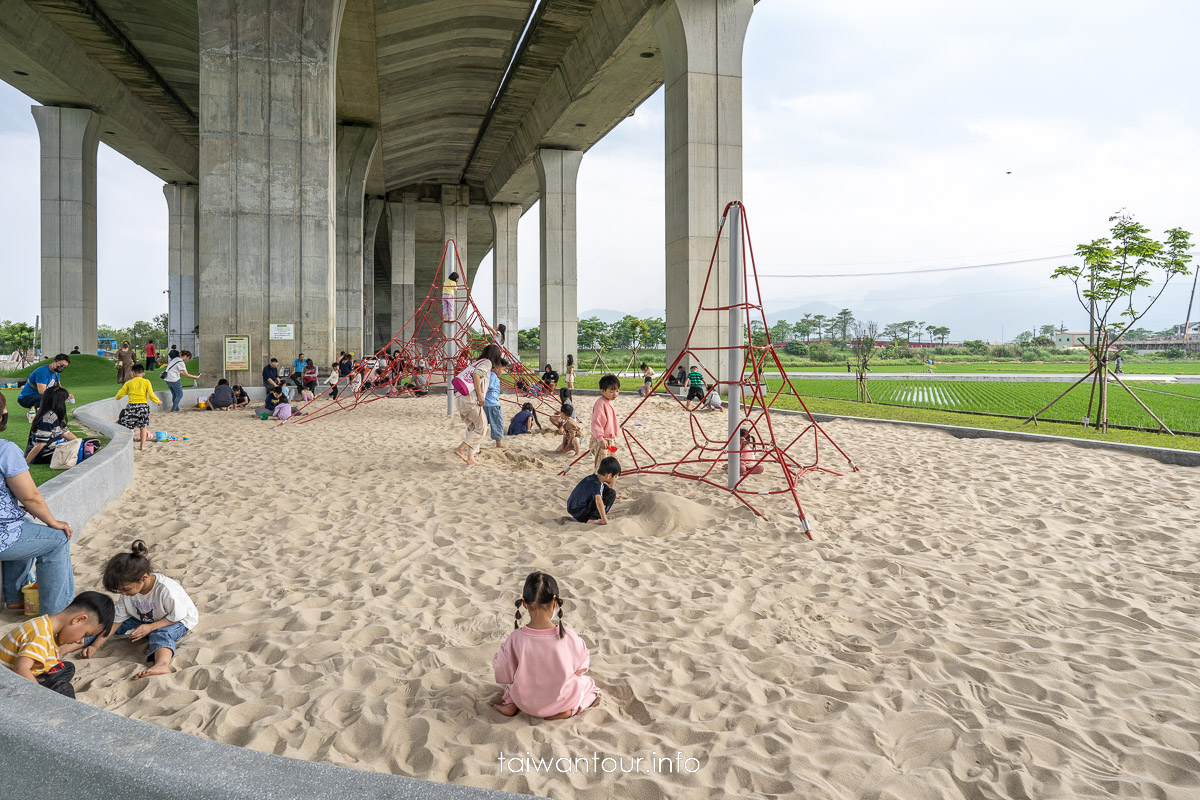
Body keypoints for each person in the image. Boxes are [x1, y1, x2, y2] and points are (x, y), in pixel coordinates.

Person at [81, 539, 199, 680]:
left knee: (160, 634)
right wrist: (95, 646)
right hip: (145, 619)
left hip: (177, 620)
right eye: (120, 591)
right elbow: (116, 622)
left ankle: (162, 664)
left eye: (126, 589)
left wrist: (150, 628)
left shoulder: (165, 589)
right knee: (106, 622)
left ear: (143, 577)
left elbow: (178, 615)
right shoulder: (128, 592)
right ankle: (78, 642)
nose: (123, 594)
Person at [492, 571, 599, 719]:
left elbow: (503, 674)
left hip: (526, 703)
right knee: (589, 686)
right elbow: (582, 668)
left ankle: (510, 703)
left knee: (513, 683)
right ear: (556, 602)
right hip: (559, 701)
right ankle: (570, 710)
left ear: (524, 604)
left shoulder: (515, 638)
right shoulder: (568, 636)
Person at [0, 428, 76, 616]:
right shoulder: (5, 449)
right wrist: (53, 522)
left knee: (25, 525)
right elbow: (30, 498)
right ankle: (57, 613)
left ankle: (15, 599)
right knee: (58, 540)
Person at [0, 591, 114, 698]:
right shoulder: (40, 635)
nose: (80, 641)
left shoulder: (45, 625)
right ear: (79, 619)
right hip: (8, 685)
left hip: (24, 675)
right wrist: (41, 697)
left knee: (68, 667)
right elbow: (21, 669)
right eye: (85, 634)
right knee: (63, 688)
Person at [452, 343, 502, 466]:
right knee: (482, 428)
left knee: (472, 428)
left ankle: (470, 458)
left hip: (460, 399)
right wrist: (480, 395)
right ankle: (460, 449)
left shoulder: (477, 362)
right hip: (471, 399)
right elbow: (476, 375)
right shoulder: (487, 363)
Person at [24, 387, 77, 465]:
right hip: (45, 454)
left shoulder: (53, 414)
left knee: (88, 443)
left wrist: (79, 442)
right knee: (92, 444)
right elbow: (40, 444)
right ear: (59, 402)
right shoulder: (49, 418)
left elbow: (66, 433)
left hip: (53, 449)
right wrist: (26, 462)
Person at [116, 364, 160, 451]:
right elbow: (151, 394)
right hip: (143, 407)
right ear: (143, 373)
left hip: (132, 406)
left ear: (132, 373)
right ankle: (142, 446)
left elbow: (121, 393)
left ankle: (128, 446)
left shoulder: (128, 383)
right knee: (143, 427)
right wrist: (158, 401)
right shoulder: (147, 382)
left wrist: (117, 397)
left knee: (128, 426)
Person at [567, 455, 620, 524]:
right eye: (615, 476)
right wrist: (604, 520)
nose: (616, 479)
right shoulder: (597, 484)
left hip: (573, 510)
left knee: (607, 490)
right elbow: (598, 500)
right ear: (609, 476)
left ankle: (594, 516)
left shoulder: (591, 478)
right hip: (581, 514)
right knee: (611, 493)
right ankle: (594, 518)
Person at [589, 374, 620, 471]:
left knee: (612, 465)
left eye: (617, 391)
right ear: (602, 391)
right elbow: (596, 422)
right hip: (602, 440)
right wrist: (600, 438)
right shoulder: (600, 403)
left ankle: (610, 482)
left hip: (609, 439)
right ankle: (600, 484)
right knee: (602, 467)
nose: (615, 394)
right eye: (611, 391)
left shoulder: (609, 401)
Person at [484, 359, 507, 449]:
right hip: (492, 404)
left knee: (483, 424)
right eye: (503, 369)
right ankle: (499, 443)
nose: (503, 371)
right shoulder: (493, 376)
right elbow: (487, 389)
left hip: (486, 404)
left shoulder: (488, 375)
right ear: (497, 368)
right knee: (497, 423)